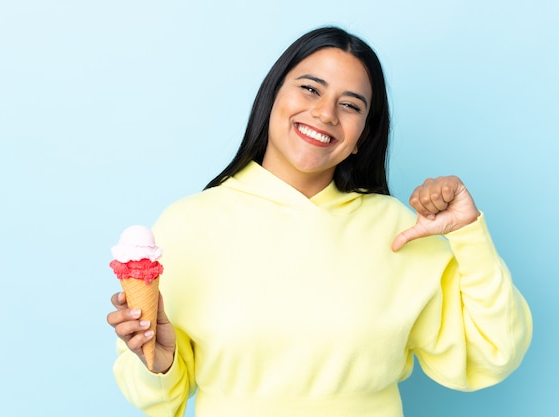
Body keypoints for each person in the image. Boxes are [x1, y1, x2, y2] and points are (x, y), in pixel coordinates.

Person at [107, 26, 532, 417]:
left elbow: (493, 353)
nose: (326, 113)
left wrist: (468, 233)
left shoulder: (400, 229)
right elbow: (159, 401)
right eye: (310, 89)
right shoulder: (187, 224)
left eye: (350, 105)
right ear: (273, 96)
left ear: (362, 137)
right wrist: (158, 364)